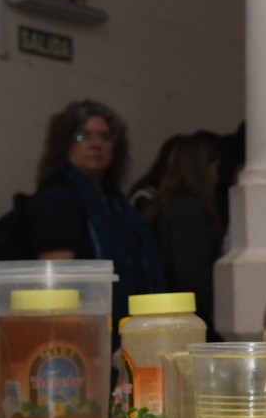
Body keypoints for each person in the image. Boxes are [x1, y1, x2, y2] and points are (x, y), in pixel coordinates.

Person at [29, 100, 166, 332]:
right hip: (84, 329)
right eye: (83, 136)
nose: (96, 144)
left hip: (129, 326)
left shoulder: (116, 201)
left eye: (105, 137)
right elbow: (58, 280)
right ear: (65, 144)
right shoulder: (58, 197)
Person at [144, 132, 225, 334]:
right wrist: (210, 312)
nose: (217, 177)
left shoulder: (164, 206)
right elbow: (192, 274)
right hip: (187, 316)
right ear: (202, 170)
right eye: (215, 168)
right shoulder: (190, 211)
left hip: (167, 311)